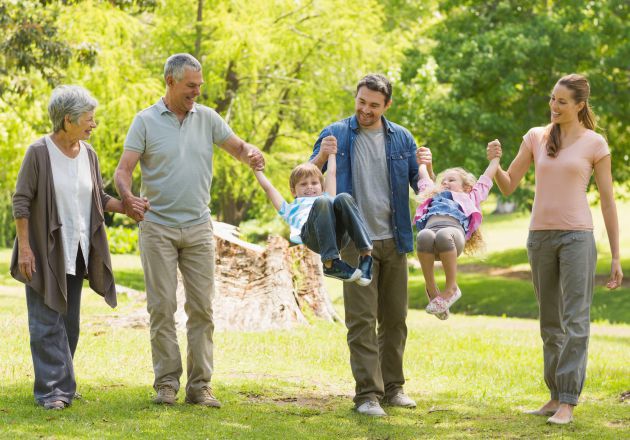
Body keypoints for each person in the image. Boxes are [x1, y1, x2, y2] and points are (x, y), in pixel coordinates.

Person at [114, 53, 264, 408]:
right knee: (162, 307)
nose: (196, 92)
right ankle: (166, 383)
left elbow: (238, 148)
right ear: (170, 81)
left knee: (202, 309)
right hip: (158, 228)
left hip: (197, 227)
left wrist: (251, 155)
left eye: (199, 85)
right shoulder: (145, 121)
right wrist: (129, 198)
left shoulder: (208, 119)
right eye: (190, 86)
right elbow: (124, 171)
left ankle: (200, 386)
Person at [487, 73, 623, 425]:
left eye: (562, 102)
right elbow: (508, 186)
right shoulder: (535, 137)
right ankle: (552, 396)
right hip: (540, 238)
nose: (554, 106)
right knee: (550, 322)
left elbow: (608, 202)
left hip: (578, 237)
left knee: (575, 320)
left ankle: (568, 401)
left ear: (580, 105)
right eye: (552, 99)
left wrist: (616, 256)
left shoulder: (595, 144)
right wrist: (495, 163)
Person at [11, 85, 147, 410]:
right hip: (45, 251)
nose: (93, 124)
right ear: (68, 119)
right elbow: (21, 202)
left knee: (70, 324)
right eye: (89, 119)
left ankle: (61, 385)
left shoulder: (88, 153)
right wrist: (26, 249)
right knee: (46, 324)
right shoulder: (39, 152)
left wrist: (126, 207)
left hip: (77, 248)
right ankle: (52, 392)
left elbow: (97, 198)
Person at [310, 74, 419, 417]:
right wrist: (319, 158)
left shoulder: (402, 138)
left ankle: (393, 388)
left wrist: (434, 175)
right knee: (361, 321)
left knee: (395, 319)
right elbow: (306, 179)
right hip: (354, 244)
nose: (365, 110)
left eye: (374, 105)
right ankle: (367, 396)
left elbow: (421, 182)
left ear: (387, 105)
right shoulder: (335, 133)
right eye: (361, 102)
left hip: (394, 240)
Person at [253, 148, 373, 284]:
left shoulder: (327, 196)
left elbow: (332, 174)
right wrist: (257, 171)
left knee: (343, 197)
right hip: (313, 238)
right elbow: (269, 188)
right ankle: (330, 264)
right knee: (322, 201)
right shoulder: (290, 208)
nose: (309, 187)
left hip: (338, 237)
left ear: (321, 187)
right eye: (303, 184)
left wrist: (332, 153)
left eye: (314, 183)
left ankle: (366, 257)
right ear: (293, 191)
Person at [414, 146, 500, 320]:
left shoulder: (471, 196)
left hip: (453, 237)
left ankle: (451, 287)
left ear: (466, 187)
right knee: (423, 236)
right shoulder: (432, 194)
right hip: (431, 237)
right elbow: (423, 177)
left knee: (444, 234)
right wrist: (423, 163)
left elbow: (486, 178)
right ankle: (432, 290)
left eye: (451, 180)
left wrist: (495, 159)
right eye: (443, 181)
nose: (445, 183)